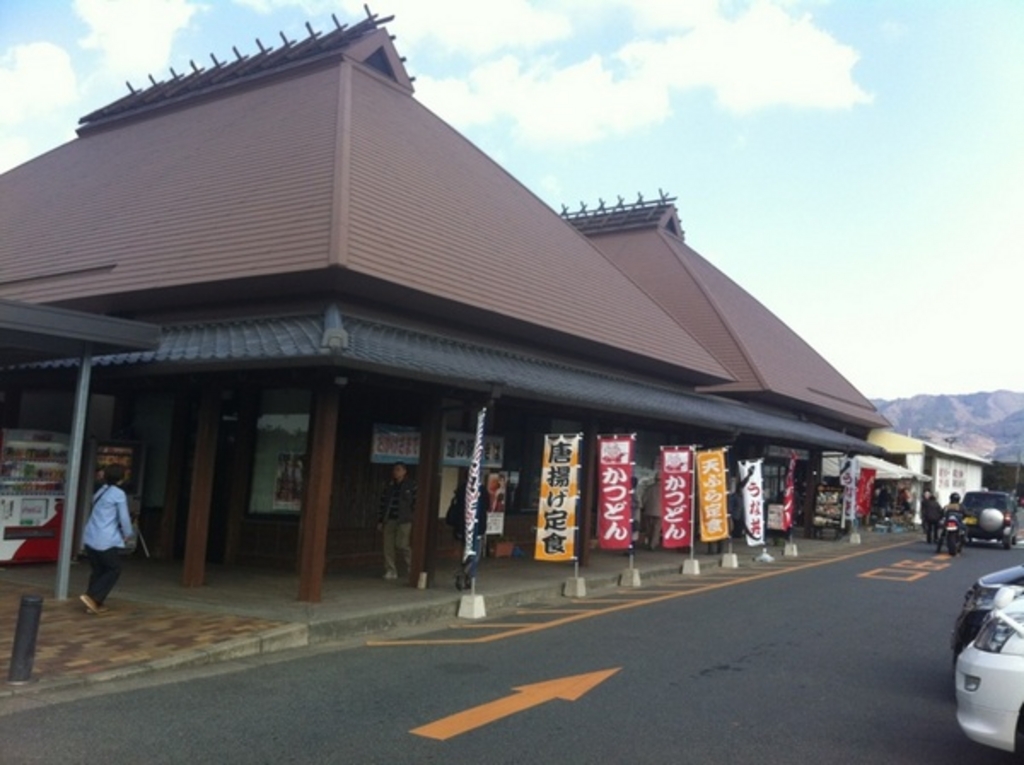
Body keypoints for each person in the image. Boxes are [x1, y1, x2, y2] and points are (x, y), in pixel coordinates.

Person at [80, 463, 135, 615]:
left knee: (98, 570)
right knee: (114, 568)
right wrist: (128, 533)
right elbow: (124, 517)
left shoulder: (101, 491)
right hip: (105, 538)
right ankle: (93, 597)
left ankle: (93, 603)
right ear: (122, 478)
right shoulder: (118, 493)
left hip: (90, 535)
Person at [377, 462, 416, 580]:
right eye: (395, 470)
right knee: (387, 545)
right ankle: (390, 570)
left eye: (398, 470)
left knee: (402, 544)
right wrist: (380, 520)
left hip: (404, 519)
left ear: (404, 472)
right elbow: (383, 503)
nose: (396, 472)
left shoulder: (411, 485)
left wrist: (412, 516)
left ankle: (412, 566)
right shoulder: (389, 486)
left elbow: (416, 502)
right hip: (389, 518)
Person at [641, 473, 662, 550]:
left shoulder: (649, 488)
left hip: (648, 511)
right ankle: (653, 545)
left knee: (649, 528)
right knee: (656, 529)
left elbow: (644, 499)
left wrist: (644, 506)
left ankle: (649, 541)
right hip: (660, 512)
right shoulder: (665, 489)